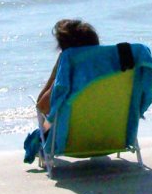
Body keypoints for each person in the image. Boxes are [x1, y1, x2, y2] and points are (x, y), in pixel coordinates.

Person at [24, 19, 100, 163]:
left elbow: (42, 106)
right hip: (109, 136)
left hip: (72, 141)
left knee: (46, 124)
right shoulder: (111, 73)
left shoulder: (67, 80)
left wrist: (58, 70)